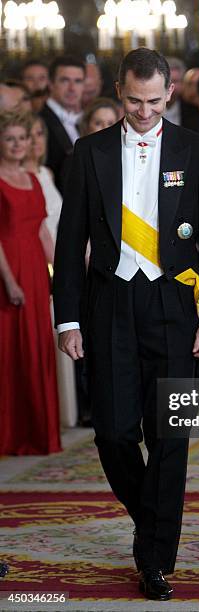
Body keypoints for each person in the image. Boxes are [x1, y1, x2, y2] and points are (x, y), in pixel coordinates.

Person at [53, 48, 199, 601]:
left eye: (154, 101)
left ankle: (154, 558)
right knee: (113, 434)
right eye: (133, 100)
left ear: (170, 92)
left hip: (176, 308)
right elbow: (69, 239)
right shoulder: (89, 151)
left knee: (170, 436)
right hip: (109, 306)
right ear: (119, 93)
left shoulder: (195, 152)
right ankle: (154, 520)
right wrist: (68, 319)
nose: (144, 111)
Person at [0, 111, 61, 455]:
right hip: (8, 270)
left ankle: (39, 434)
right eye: (9, 138)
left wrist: (60, 273)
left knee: (37, 348)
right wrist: (9, 281)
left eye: (22, 138)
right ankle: (10, 434)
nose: (18, 145)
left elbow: (41, 230)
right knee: (10, 351)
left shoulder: (35, 178)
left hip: (36, 271)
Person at [24, 114, 78, 428]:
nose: (35, 142)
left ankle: (63, 410)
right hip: (39, 262)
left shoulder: (46, 172)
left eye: (39, 134)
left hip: (59, 257)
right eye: (28, 135)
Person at [40, 55, 86, 193]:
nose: (72, 88)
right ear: (50, 83)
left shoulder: (84, 121)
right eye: (65, 80)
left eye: (78, 81)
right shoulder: (40, 122)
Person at [163, 57, 198, 126]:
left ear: (183, 83)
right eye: (166, 81)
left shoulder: (192, 110)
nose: (169, 86)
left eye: (175, 81)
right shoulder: (148, 109)